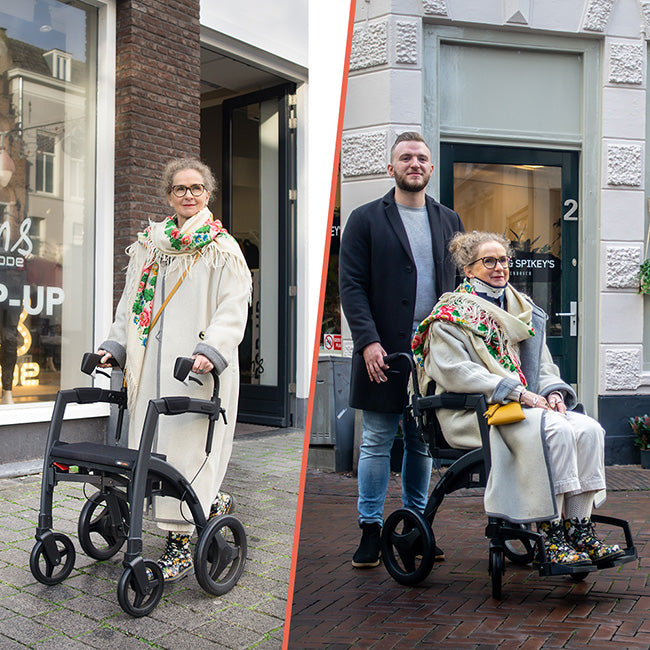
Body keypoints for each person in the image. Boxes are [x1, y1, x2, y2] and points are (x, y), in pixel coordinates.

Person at [412, 231, 624, 565]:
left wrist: (553, 393)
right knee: (555, 432)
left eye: (504, 260)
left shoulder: (523, 309)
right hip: (477, 413)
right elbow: (455, 372)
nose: (500, 267)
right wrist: (518, 392)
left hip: (526, 406)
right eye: (489, 261)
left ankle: (580, 529)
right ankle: (552, 535)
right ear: (468, 270)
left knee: (588, 429)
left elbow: (543, 367)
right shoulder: (449, 317)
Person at [98, 158, 251, 581]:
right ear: (168, 196)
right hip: (149, 372)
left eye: (196, 188)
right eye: (180, 189)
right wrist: (116, 345)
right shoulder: (151, 244)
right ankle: (210, 501)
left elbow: (233, 308)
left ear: (208, 194)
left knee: (184, 454)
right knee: (153, 453)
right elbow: (132, 304)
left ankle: (181, 546)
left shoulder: (221, 248)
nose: (188, 195)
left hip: (195, 373)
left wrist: (212, 350)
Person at [339, 132, 464, 568]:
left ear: (430, 169)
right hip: (384, 349)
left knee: (422, 441)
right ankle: (371, 530)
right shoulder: (365, 218)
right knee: (375, 439)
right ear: (390, 167)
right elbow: (351, 286)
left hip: (434, 352)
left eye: (422, 158)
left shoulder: (449, 220)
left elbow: (462, 288)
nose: (415, 163)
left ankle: (416, 526)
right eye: (405, 157)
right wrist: (367, 341)